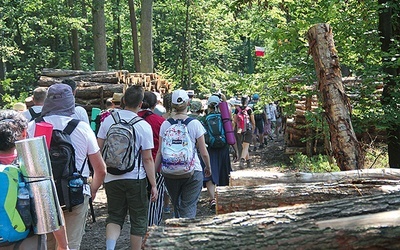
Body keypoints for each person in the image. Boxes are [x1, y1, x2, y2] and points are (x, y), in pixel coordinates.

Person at [27, 83, 106, 250]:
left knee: (46, 245)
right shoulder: (82, 128)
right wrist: (92, 190)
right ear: (71, 101)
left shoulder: (32, 126)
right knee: (70, 245)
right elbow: (100, 169)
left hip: (42, 195)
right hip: (75, 192)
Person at [97, 85, 158, 250]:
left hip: (111, 177)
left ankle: (110, 248)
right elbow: (147, 159)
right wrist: (153, 184)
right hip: (135, 179)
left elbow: (98, 148)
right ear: (140, 104)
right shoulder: (143, 126)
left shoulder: (108, 120)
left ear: (123, 101)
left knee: (115, 216)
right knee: (138, 219)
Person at [0, 109, 69, 250]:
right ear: (24, 134)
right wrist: (63, 245)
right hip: (28, 239)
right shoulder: (31, 165)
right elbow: (51, 209)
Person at [154, 89, 212, 219]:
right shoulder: (195, 124)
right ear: (188, 103)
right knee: (189, 206)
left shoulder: (165, 124)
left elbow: (159, 152)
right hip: (193, 170)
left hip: (170, 171)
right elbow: (204, 152)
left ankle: (177, 232)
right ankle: (186, 235)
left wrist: (153, 175)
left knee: (177, 205)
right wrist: (208, 167)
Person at [137, 91, 166, 226]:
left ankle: (138, 228)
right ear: (154, 105)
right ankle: (153, 228)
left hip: (134, 168)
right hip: (156, 165)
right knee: (155, 198)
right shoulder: (161, 122)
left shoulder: (133, 119)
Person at [202, 95, 232, 209]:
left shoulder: (205, 119)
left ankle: (213, 199)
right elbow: (230, 132)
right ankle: (223, 197)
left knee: (210, 172)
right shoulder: (224, 117)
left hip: (210, 148)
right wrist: (235, 150)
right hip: (224, 148)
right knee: (223, 171)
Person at [233, 95, 255, 169]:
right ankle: (242, 161)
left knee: (244, 146)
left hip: (239, 130)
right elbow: (253, 121)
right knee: (246, 147)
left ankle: (248, 162)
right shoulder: (249, 110)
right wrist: (253, 128)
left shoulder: (237, 109)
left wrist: (233, 129)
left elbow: (234, 121)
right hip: (248, 129)